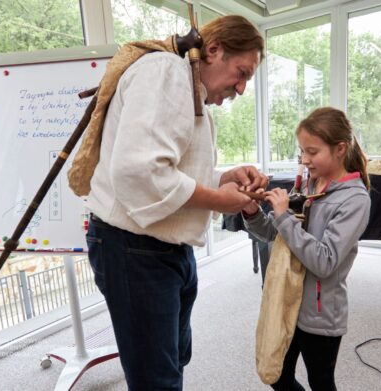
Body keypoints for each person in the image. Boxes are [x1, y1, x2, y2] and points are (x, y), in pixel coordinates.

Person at [85, 15, 267, 390]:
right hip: (135, 249)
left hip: (162, 250)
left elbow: (172, 173)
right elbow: (140, 173)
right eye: (242, 72)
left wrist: (224, 178)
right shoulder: (166, 73)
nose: (243, 87)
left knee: (172, 360)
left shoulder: (188, 89)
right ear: (214, 50)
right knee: (157, 378)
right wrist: (219, 199)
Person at [242, 107, 371, 391]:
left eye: (312, 151)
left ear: (340, 149)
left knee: (321, 382)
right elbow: (277, 236)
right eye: (302, 151)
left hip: (321, 314)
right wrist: (253, 212)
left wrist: (284, 216)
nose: (304, 159)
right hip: (289, 301)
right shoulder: (311, 183)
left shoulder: (355, 200)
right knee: (277, 375)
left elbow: (324, 261)